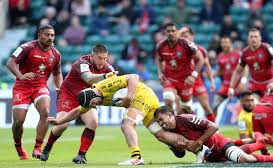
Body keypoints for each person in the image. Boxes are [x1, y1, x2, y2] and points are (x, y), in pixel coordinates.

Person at [47, 74, 190, 165]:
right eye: (93, 106)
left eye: (94, 103)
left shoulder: (104, 86)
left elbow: (133, 77)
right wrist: (60, 121)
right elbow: (78, 111)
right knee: (160, 135)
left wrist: (129, 96)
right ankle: (195, 146)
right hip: (147, 101)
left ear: (92, 96)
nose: (95, 106)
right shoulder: (90, 99)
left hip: (141, 96)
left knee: (127, 124)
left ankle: (136, 157)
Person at [40, 44, 116, 163]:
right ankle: (47, 147)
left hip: (86, 97)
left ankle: (81, 155)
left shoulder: (107, 67)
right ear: (92, 56)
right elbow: (88, 78)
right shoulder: (81, 63)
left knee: (93, 121)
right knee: (62, 125)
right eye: (100, 58)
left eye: (105, 58)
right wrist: (105, 76)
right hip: (68, 94)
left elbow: (114, 83)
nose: (102, 61)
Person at [154, 106, 273, 163]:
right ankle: (260, 143)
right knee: (236, 157)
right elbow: (180, 155)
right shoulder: (169, 134)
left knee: (246, 160)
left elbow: (213, 126)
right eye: (158, 122)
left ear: (170, 115)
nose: (161, 123)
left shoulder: (186, 118)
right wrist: (176, 148)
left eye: (162, 119)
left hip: (220, 144)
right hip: (209, 156)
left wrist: (199, 141)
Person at [6, 24, 63, 160]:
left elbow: (57, 73)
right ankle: (19, 147)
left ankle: (38, 147)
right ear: (39, 35)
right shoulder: (27, 48)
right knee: (19, 121)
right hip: (22, 87)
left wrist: (60, 88)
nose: (50, 38)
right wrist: (20, 75)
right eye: (47, 35)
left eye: (52, 35)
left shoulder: (55, 54)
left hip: (40, 87)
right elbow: (10, 62)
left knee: (45, 112)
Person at [155, 22, 205, 113]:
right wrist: (160, 73)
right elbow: (158, 59)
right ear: (165, 33)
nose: (171, 33)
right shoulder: (161, 46)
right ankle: (171, 125)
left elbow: (200, 59)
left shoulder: (187, 44)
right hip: (170, 79)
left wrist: (193, 76)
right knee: (168, 98)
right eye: (168, 31)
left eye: (173, 31)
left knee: (185, 109)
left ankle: (191, 123)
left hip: (185, 81)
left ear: (177, 32)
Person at [228, 28, 273, 99]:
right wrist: (231, 87)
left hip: (268, 84)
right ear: (248, 38)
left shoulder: (266, 48)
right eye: (251, 37)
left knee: (269, 106)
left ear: (260, 38)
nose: (253, 39)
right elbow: (238, 71)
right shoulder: (245, 52)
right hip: (255, 85)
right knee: (253, 104)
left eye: (256, 37)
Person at [178, 26, 215, 122]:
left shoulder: (200, 50)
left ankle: (215, 130)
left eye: (187, 36)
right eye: (183, 36)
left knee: (206, 106)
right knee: (183, 109)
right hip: (184, 82)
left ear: (192, 36)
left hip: (197, 81)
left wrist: (212, 82)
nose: (186, 39)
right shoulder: (179, 51)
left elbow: (207, 66)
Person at [213, 36, 244, 111]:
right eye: (222, 42)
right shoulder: (220, 56)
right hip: (226, 85)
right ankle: (214, 122)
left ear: (231, 43)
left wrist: (243, 81)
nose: (224, 44)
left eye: (226, 42)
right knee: (215, 104)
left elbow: (245, 68)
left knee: (243, 105)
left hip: (237, 84)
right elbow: (220, 70)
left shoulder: (238, 54)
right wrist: (211, 76)